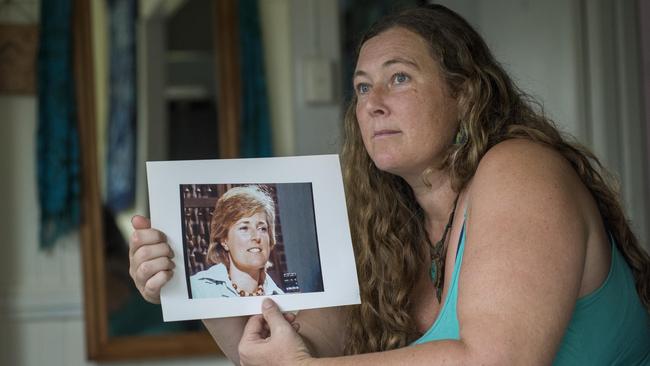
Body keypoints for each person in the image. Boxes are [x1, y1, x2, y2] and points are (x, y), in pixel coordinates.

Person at [129, 4, 650, 365]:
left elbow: (498, 359)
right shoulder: (381, 220)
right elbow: (297, 352)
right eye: (361, 87)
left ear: (464, 93)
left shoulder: (520, 170)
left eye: (398, 77)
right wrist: (184, 277)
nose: (373, 101)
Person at [190, 185, 284, 298]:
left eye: (262, 228)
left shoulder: (280, 296)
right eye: (244, 228)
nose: (256, 237)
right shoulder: (197, 290)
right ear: (224, 240)